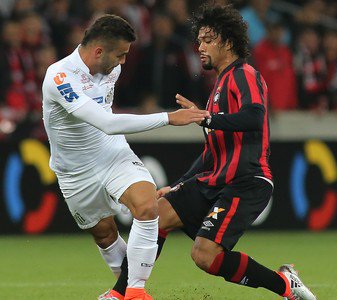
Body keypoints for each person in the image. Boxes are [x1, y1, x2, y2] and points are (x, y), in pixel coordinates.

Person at [101, 4, 317, 300]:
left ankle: (284, 285)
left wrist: (208, 118)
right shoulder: (218, 86)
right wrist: (179, 184)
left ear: (226, 41)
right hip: (216, 179)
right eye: (199, 40)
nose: (199, 46)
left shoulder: (244, 73)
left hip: (246, 179)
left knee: (205, 256)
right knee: (156, 215)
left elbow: (255, 116)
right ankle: (120, 293)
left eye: (206, 40)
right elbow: (211, 153)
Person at [41, 14, 208, 300]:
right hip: (74, 171)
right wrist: (168, 118)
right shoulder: (59, 77)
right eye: (120, 55)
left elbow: (107, 126)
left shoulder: (111, 69)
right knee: (105, 234)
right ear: (98, 51)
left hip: (112, 152)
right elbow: (106, 121)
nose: (123, 62)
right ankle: (125, 291)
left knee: (146, 207)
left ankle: (134, 292)